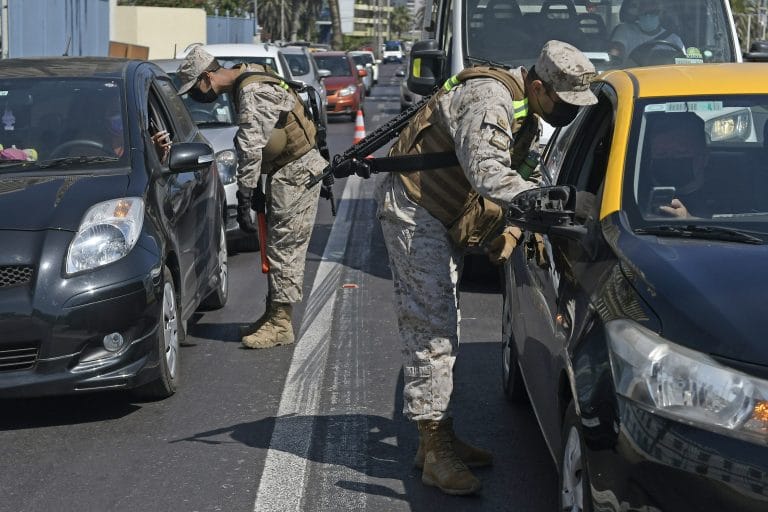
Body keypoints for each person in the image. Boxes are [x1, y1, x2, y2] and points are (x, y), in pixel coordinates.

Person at [374, 40, 597, 495]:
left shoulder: (526, 108)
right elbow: (488, 174)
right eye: (566, 103)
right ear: (539, 86)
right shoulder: (489, 99)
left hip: (443, 211)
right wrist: (555, 209)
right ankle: (434, 448)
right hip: (416, 210)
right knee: (431, 326)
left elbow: (528, 170)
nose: (569, 113)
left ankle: (436, 433)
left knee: (445, 324)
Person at [176, 46, 327, 349]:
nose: (197, 96)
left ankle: (281, 324)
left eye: (195, 88)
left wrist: (244, 194)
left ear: (207, 77)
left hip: (295, 172)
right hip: (287, 170)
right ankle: (274, 313)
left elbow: (250, 145)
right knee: (277, 245)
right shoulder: (250, 73)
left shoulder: (251, 90)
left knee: (285, 247)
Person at [644, 113, 710, 219]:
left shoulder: (728, 195)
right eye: (661, 154)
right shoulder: (633, 195)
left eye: (681, 153)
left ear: (704, 157)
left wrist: (689, 221)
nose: (671, 159)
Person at [609, 0, 684, 64]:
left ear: (661, 14)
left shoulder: (675, 39)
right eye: (644, 13)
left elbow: (683, 66)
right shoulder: (624, 30)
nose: (648, 16)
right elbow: (614, 59)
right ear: (638, 13)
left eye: (653, 12)